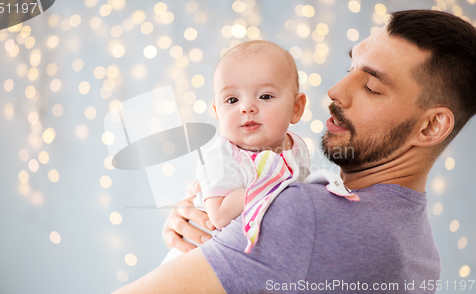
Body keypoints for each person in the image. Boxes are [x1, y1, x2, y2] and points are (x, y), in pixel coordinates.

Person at [114, 9, 476, 294]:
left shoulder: (301, 213)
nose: (336, 90)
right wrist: (211, 238)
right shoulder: (423, 253)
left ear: (431, 126)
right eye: (349, 68)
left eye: (370, 86)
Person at [162, 40, 310, 263]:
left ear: (296, 108)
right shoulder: (220, 156)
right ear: (218, 113)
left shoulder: (296, 146)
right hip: (193, 258)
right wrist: (272, 188)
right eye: (232, 100)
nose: (246, 107)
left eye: (265, 96)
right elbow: (219, 215)